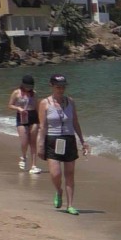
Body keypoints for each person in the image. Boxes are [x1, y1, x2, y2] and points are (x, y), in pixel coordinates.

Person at [36, 74, 89, 214]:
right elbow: (43, 126)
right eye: (58, 87)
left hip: (69, 139)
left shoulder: (70, 102)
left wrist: (83, 141)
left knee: (70, 173)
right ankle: (59, 191)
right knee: (56, 174)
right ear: (52, 86)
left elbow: (75, 122)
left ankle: (70, 205)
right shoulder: (45, 103)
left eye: (63, 87)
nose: (61, 89)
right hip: (52, 140)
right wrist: (40, 145)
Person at [8, 75, 42, 173]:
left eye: (31, 86)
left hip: (33, 116)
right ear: (23, 85)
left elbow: (37, 107)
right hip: (22, 116)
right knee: (24, 141)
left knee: (33, 142)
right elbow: (10, 105)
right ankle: (23, 156)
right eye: (27, 86)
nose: (29, 88)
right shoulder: (16, 92)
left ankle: (34, 165)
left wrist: (40, 121)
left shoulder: (34, 93)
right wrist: (18, 108)